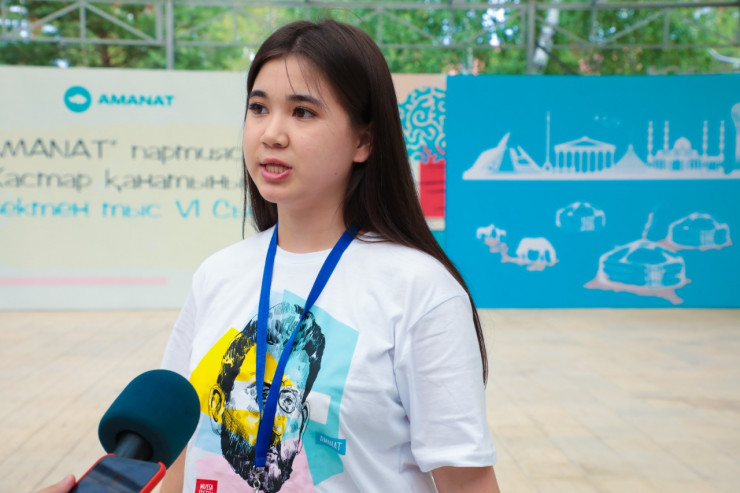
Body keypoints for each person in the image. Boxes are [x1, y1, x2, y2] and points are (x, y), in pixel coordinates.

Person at [160, 18, 500, 493]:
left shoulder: (420, 290)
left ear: (364, 141)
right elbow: (179, 447)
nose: (271, 134)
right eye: (258, 108)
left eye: (302, 112)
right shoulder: (217, 274)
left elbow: (467, 481)